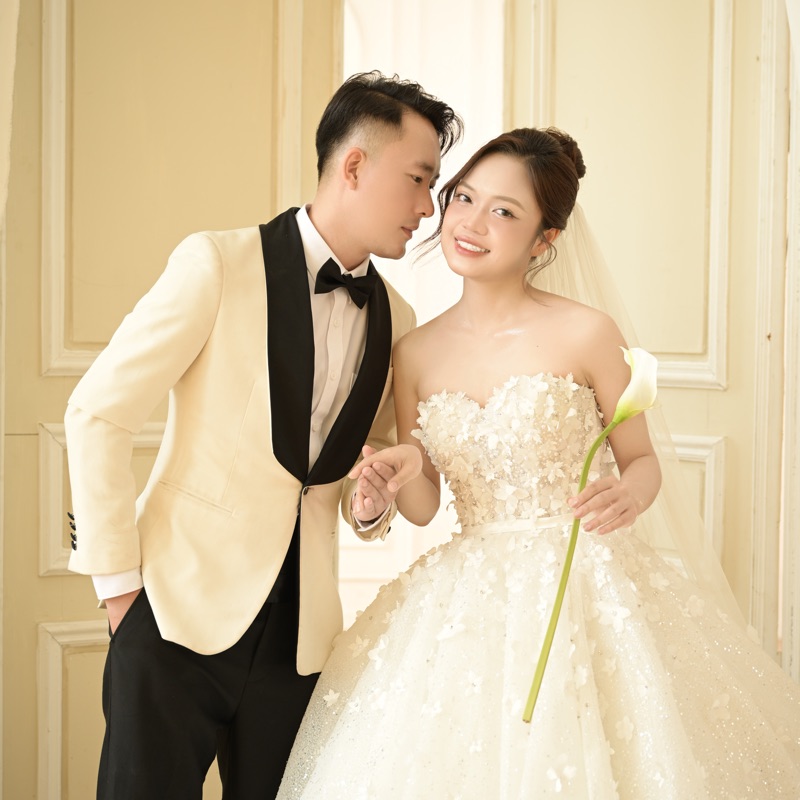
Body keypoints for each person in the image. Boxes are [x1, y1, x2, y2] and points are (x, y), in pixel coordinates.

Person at [277, 128, 800, 798]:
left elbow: (640, 459)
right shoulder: (414, 351)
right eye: (463, 197)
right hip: (465, 604)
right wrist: (389, 482)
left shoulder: (587, 332)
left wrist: (631, 495)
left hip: (587, 586)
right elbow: (425, 503)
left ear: (544, 239)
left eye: (503, 211)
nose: (470, 222)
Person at [64, 70, 462, 799]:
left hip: (301, 645)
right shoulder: (216, 263)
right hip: (175, 617)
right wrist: (120, 592)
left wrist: (370, 505)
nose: (425, 208)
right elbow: (97, 412)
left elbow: (366, 477)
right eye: (417, 179)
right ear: (353, 166)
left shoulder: (396, 318)